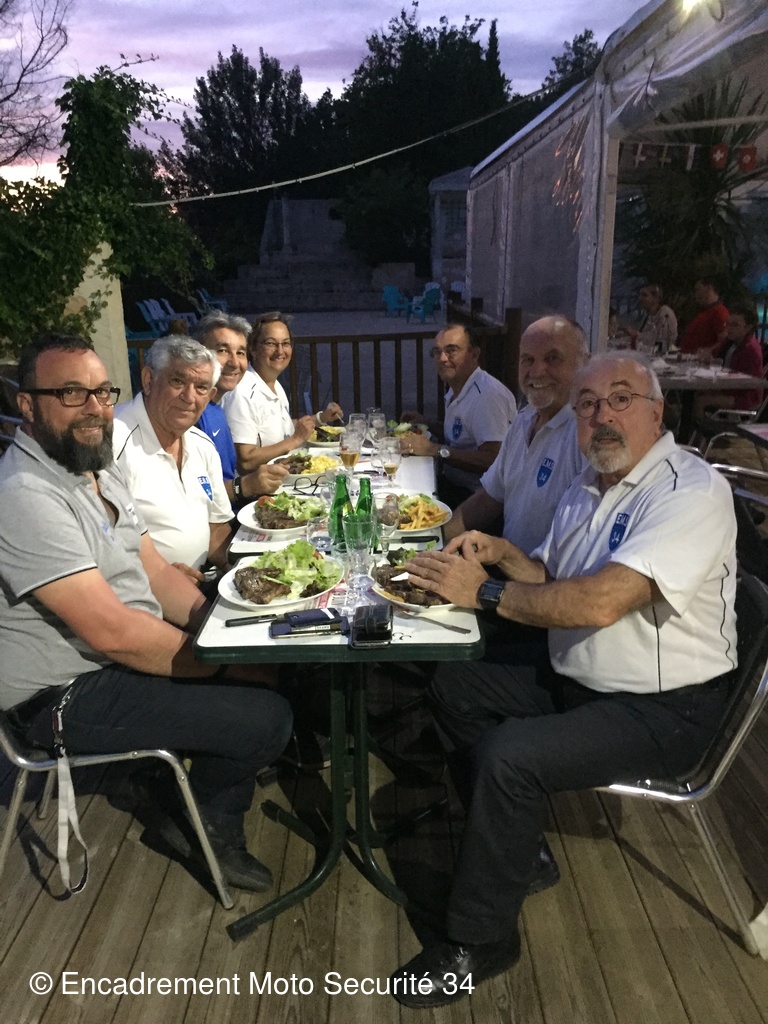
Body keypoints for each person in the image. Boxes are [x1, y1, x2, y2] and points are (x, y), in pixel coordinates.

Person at [389, 351, 737, 1008]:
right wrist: (501, 554)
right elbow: (551, 577)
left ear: (657, 412)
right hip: (582, 674)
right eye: (588, 404)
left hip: (665, 707)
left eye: (621, 398)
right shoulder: (589, 484)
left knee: (509, 757)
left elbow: (601, 601)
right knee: (458, 686)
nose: (602, 415)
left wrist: (482, 593)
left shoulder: (690, 491)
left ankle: (482, 939)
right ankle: (518, 853)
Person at [0, 334, 293, 893]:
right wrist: (221, 661)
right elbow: (112, 633)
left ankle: (178, 789)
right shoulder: (25, 494)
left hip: (112, 659)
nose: (94, 407)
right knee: (266, 716)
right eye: (71, 393)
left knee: (269, 664)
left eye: (101, 393)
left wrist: (218, 626)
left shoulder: (93, 466)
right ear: (28, 404)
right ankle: (198, 826)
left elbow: (154, 568)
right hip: (59, 696)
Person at [442, 316, 588, 557]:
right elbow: (489, 497)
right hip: (505, 564)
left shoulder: (586, 434)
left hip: (544, 577)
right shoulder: (524, 419)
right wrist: (434, 541)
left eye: (553, 358)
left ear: (585, 364)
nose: (537, 371)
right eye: (528, 359)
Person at [112, 336, 234, 586]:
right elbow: (97, 543)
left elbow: (217, 529)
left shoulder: (202, 445)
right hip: (140, 594)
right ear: (148, 380)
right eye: (177, 381)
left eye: (201, 388)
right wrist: (160, 577)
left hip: (201, 583)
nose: (189, 397)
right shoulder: (113, 441)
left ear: (210, 395)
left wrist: (243, 569)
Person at [400, 323, 517, 504]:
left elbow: (493, 459)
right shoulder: (459, 387)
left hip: (477, 498)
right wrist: (426, 423)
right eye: (437, 352)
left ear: (474, 354)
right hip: (453, 485)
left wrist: (435, 450)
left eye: (451, 351)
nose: (442, 358)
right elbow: (460, 435)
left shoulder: (487, 396)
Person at [222, 311, 343, 472]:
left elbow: (279, 427)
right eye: (271, 343)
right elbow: (245, 461)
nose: (280, 351)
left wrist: (320, 418)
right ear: (253, 349)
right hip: (262, 484)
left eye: (285, 343)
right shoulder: (241, 393)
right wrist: (295, 439)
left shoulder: (274, 384)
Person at [190, 312, 289, 504]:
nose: (234, 362)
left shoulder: (216, 408)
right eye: (222, 350)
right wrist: (245, 486)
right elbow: (194, 498)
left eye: (240, 353)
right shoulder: (190, 415)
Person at [693, 302, 763, 415]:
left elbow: (746, 383)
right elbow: (714, 357)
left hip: (745, 398)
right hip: (730, 389)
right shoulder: (730, 343)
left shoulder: (750, 349)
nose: (729, 329)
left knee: (702, 401)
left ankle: (701, 425)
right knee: (697, 394)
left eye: (735, 325)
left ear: (748, 327)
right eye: (728, 324)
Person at [678, 277, 729, 354]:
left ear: (709, 288)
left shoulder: (719, 311)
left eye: (698, 290)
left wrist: (708, 351)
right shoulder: (705, 311)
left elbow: (724, 340)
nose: (696, 295)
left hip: (697, 359)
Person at [623, 283, 678, 355]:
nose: (640, 298)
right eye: (640, 295)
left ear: (656, 298)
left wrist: (636, 334)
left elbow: (660, 342)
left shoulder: (665, 314)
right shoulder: (650, 315)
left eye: (645, 295)